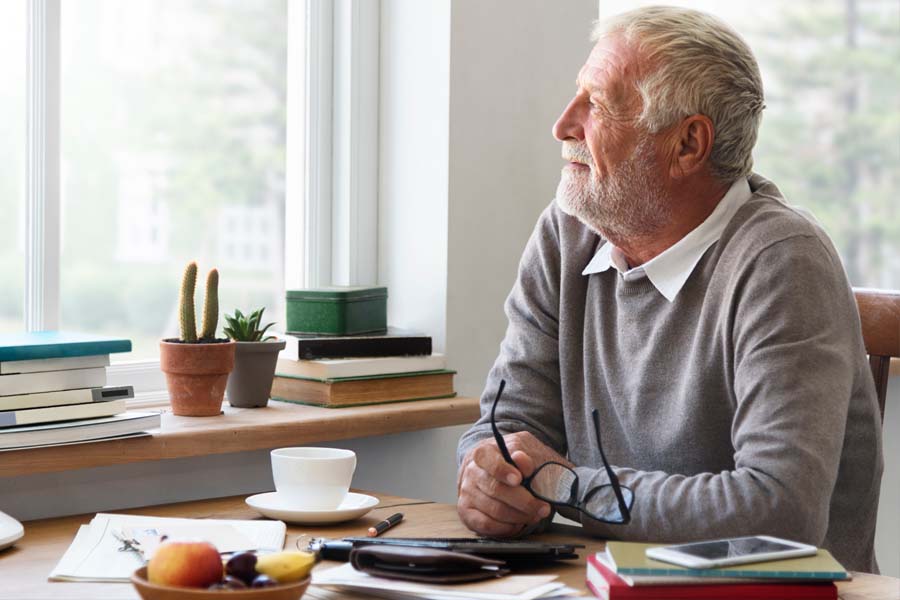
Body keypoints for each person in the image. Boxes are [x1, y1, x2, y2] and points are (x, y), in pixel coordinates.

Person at [456, 6, 883, 574]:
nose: (563, 125)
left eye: (599, 104)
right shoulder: (568, 232)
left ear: (688, 145)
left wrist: (564, 486)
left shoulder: (782, 259)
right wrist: (488, 479)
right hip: (597, 582)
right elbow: (505, 431)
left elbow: (781, 510)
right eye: (575, 95)